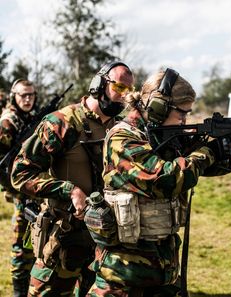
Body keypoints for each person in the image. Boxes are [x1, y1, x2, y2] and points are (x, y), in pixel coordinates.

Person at [85, 68, 231, 296]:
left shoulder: (163, 136)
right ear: (158, 108)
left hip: (164, 273)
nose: (185, 120)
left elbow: (203, 168)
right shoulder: (124, 138)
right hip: (123, 278)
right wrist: (206, 153)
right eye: (182, 113)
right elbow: (164, 179)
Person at [11, 61, 134, 296]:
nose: (124, 96)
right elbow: (20, 173)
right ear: (98, 85)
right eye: (119, 87)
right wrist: (70, 190)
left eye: (128, 91)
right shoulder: (62, 122)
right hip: (63, 237)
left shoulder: (120, 129)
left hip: (104, 241)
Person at [0, 79, 37, 297]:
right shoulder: (8, 122)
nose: (27, 99)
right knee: (21, 245)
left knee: (31, 242)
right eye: (23, 95)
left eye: (31, 95)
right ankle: (18, 292)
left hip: (30, 187)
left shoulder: (28, 118)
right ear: (14, 95)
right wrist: (13, 188)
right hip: (20, 191)